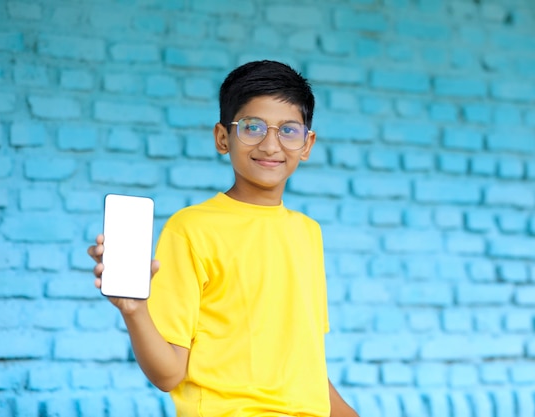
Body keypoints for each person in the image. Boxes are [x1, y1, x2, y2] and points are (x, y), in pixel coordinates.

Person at [88, 60, 359, 417]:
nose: (271, 144)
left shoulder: (308, 232)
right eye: (252, 127)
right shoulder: (191, 229)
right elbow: (169, 374)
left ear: (307, 144)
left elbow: (302, 366)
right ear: (222, 137)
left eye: (288, 130)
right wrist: (134, 309)